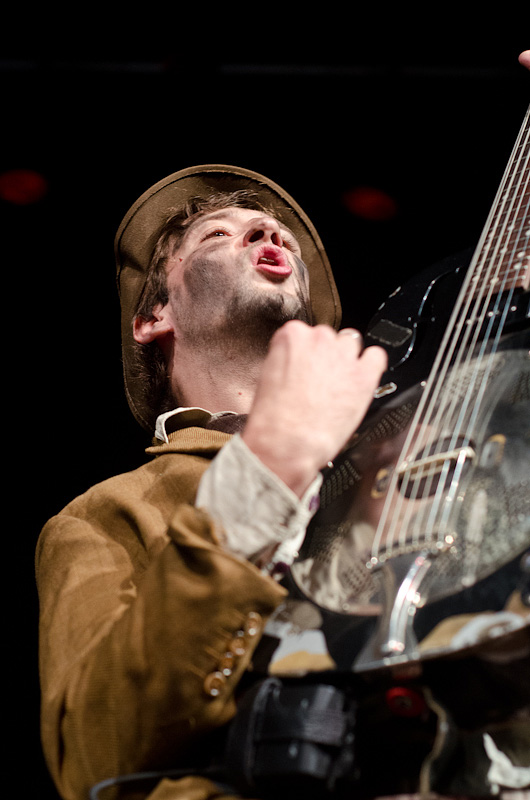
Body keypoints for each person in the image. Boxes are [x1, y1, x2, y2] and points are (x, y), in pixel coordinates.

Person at [36, 53, 530, 800]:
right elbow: (95, 758)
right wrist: (270, 464)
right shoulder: (105, 516)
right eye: (217, 234)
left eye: (270, 229)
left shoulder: (405, 455)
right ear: (153, 317)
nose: (268, 227)